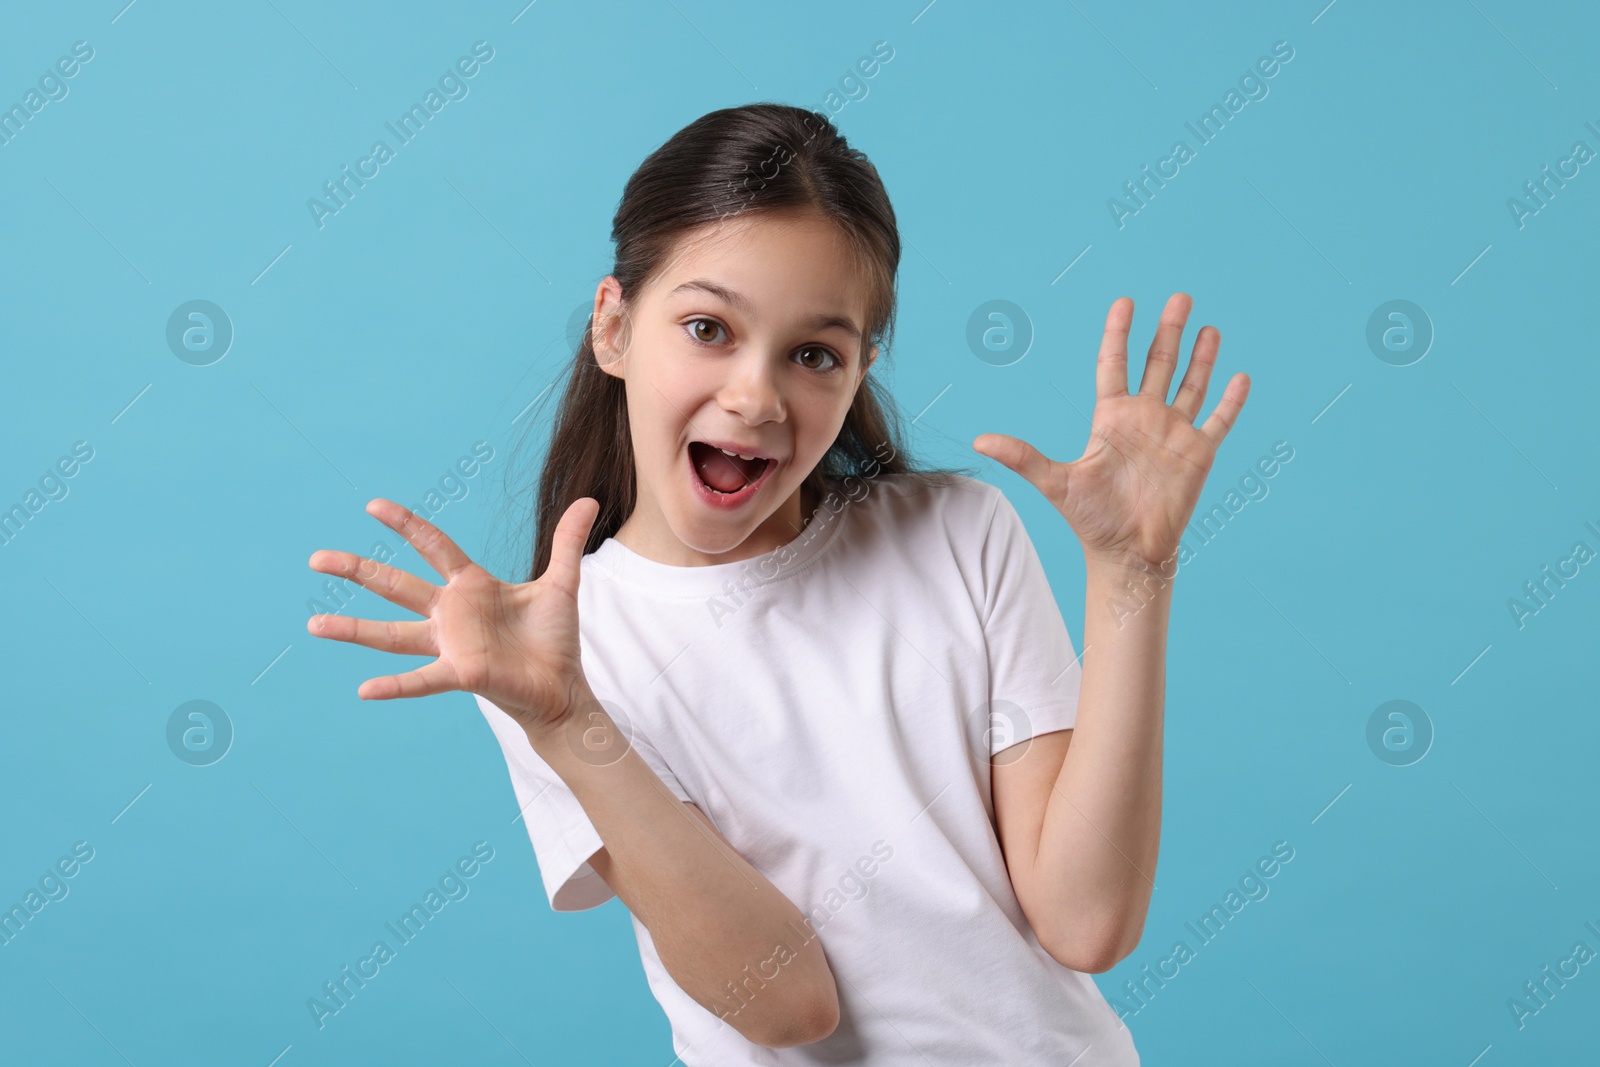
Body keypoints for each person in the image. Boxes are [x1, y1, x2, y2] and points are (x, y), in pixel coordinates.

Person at [306, 102, 1249, 1065]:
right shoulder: (554, 649)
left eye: (813, 354)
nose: (756, 397)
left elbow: (1087, 923)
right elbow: (785, 1002)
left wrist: (1135, 573)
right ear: (614, 326)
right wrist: (562, 718)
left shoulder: (958, 532)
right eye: (709, 327)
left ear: (858, 372)